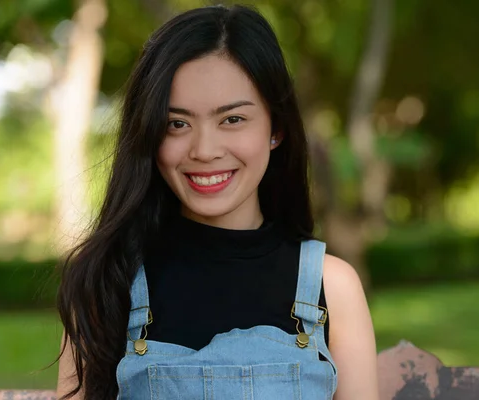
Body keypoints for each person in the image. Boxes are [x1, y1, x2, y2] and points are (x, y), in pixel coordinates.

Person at [56, 4, 379, 400]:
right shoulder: (106, 282)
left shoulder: (333, 287)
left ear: (276, 129)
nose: (205, 150)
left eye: (232, 119)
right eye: (177, 123)